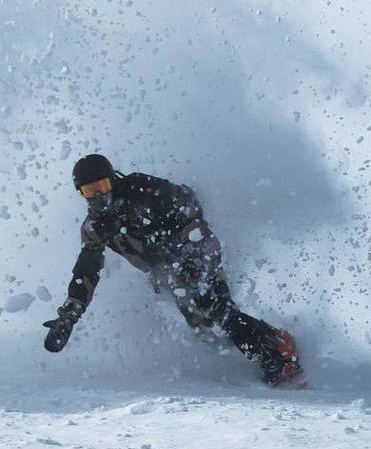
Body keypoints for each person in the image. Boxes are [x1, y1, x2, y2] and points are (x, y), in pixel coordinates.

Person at [42, 153, 301, 385]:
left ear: (113, 180)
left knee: (217, 309)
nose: (99, 196)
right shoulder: (95, 228)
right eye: (90, 191)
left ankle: (278, 352)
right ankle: (262, 348)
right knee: (203, 329)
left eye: (103, 186)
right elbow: (86, 271)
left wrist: (191, 254)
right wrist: (69, 317)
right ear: (81, 194)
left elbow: (188, 203)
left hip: (196, 250)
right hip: (168, 274)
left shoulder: (139, 189)